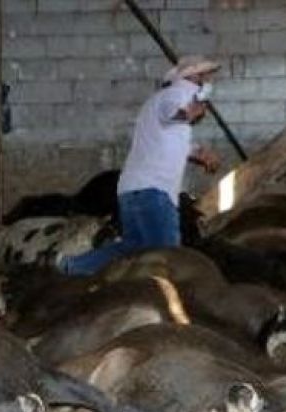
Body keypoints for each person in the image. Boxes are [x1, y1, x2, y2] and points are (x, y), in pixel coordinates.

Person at [58, 56, 222, 276]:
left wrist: (200, 153)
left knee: (132, 249)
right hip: (154, 193)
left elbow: (172, 141)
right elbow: (170, 113)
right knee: (169, 257)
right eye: (206, 76)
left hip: (134, 190)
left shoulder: (162, 102)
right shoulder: (178, 94)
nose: (208, 81)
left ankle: (72, 267)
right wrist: (188, 113)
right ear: (193, 77)